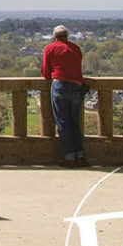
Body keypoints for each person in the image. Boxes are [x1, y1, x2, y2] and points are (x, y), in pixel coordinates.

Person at [40, 25, 87, 166]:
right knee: (74, 122)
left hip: (60, 85)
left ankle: (69, 157)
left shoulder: (50, 48)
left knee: (63, 123)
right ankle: (80, 156)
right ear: (67, 36)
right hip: (76, 85)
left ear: (54, 37)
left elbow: (45, 72)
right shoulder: (75, 48)